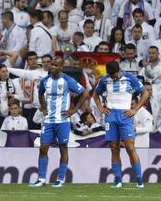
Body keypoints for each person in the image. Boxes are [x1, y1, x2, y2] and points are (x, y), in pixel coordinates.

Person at [29, 57, 88, 187]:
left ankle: (60, 179)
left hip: (63, 120)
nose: (53, 67)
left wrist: (74, 110)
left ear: (61, 67)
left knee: (63, 148)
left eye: (56, 65)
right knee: (43, 147)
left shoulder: (67, 80)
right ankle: (41, 179)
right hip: (49, 120)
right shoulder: (45, 81)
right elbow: (40, 94)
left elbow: (84, 93)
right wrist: (43, 108)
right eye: (52, 64)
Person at [93, 60, 149, 189]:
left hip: (125, 116)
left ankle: (139, 181)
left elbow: (145, 93)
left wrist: (135, 109)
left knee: (130, 147)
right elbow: (95, 94)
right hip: (111, 116)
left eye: (115, 75)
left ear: (119, 70)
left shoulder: (129, 78)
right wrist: (101, 108)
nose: (114, 77)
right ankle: (118, 180)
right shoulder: (104, 80)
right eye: (111, 75)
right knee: (114, 147)